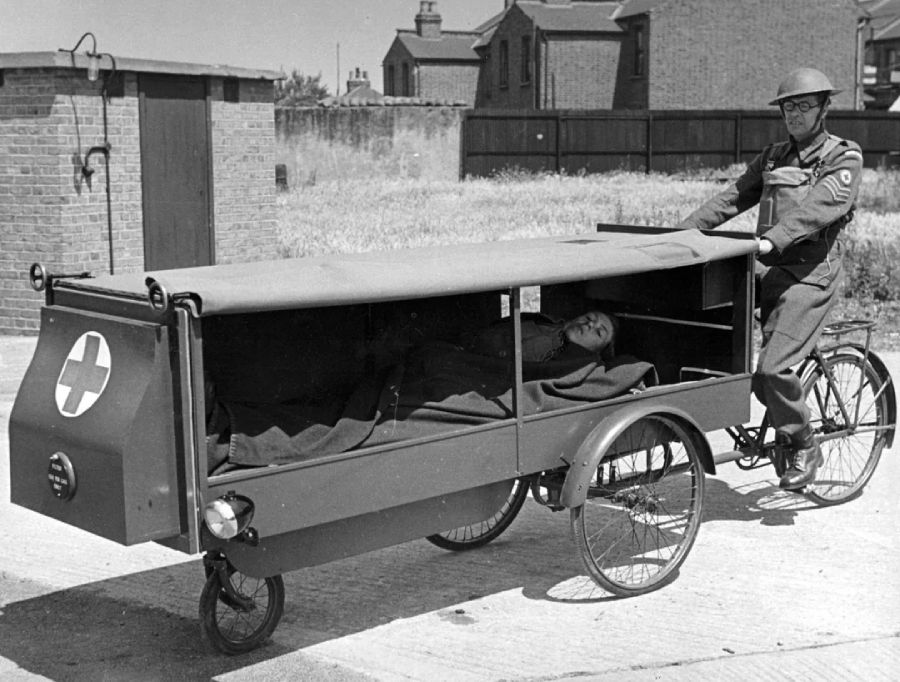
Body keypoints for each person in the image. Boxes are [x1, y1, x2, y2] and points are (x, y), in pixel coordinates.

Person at [675, 68, 862, 491]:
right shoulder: (774, 156)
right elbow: (732, 197)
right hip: (768, 267)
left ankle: (802, 441)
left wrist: (770, 240)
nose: (794, 115)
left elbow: (817, 209)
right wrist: (680, 233)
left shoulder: (842, 158)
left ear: (824, 108)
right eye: (788, 107)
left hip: (811, 274)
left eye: (803, 106)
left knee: (773, 369)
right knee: (707, 321)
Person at [466, 310, 619, 363]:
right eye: (588, 318)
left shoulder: (570, 365)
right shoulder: (547, 322)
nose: (590, 325)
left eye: (599, 332)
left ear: (599, 351)